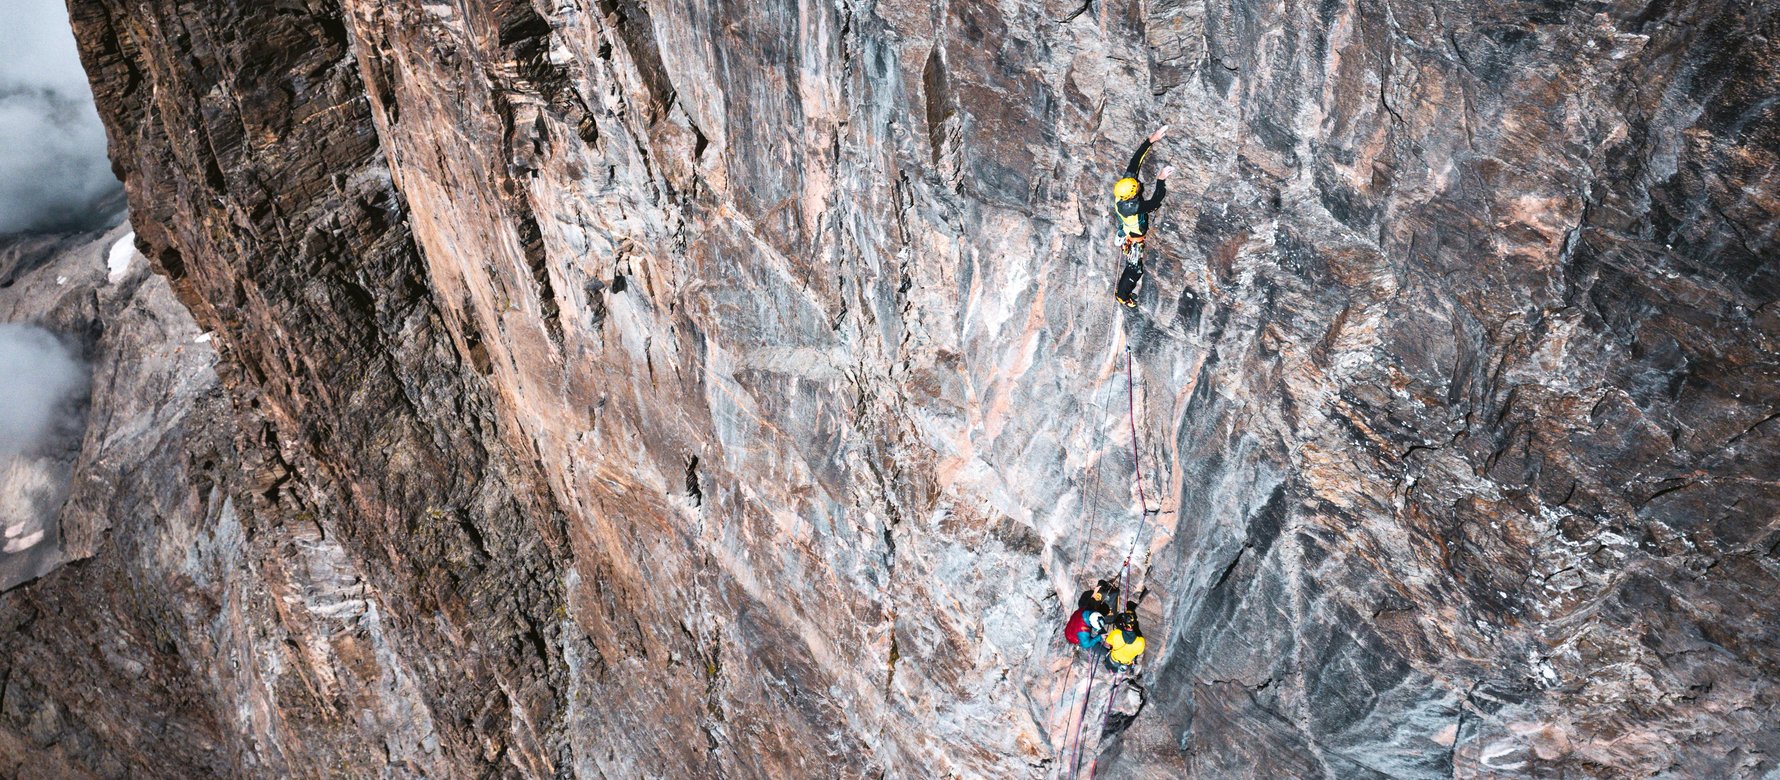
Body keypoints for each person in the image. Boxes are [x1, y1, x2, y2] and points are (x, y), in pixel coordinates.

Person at [1113, 126, 1175, 307]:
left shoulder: (1123, 190)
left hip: (1127, 228)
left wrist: (1151, 139)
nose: (1138, 183)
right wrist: (1161, 179)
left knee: (1134, 267)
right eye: (1136, 187)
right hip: (1134, 237)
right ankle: (1122, 296)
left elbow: (1135, 162)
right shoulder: (1133, 207)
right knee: (1134, 269)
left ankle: (1123, 294)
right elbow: (1154, 202)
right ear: (1132, 195)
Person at [1104, 604, 1145, 672]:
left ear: (1123, 623)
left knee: (1109, 663)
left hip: (1114, 659)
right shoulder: (1141, 641)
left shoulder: (1116, 633)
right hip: (1126, 662)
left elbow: (1107, 644)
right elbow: (1139, 652)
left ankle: (1111, 670)